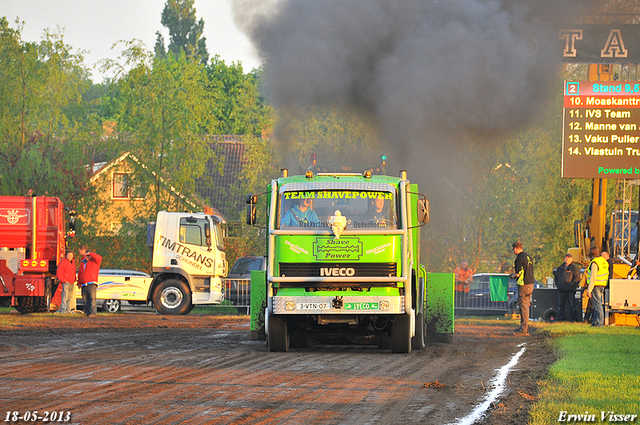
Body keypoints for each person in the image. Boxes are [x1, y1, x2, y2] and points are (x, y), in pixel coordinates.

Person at [509, 241, 535, 336]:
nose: (513, 251)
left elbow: (518, 273)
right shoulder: (528, 257)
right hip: (531, 284)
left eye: (513, 249)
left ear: (516, 248)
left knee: (523, 306)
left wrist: (512, 276)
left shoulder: (519, 258)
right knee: (526, 306)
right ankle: (523, 327)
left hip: (524, 285)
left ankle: (524, 330)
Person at [585, 246, 608, 327]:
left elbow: (593, 277)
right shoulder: (604, 261)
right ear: (598, 252)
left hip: (596, 285)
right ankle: (594, 322)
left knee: (597, 305)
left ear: (590, 254)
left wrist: (589, 290)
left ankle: (599, 323)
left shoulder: (594, 262)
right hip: (603, 285)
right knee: (597, 304)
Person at [77, 246, 103, 317]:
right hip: (84, 284)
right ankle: (88, 313)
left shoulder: (95, 262)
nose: (87, 257)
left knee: (92, 299)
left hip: (92, 282)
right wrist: (79, 282)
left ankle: (92, 313)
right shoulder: (82, 263)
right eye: (86, 256)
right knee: (85, 299)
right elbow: (80, 272)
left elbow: (99, 258)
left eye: (88, 256)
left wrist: (91, 253)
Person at [554, 254, 581, 321]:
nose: (567, 259)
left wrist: (571, 285)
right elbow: (556, 277)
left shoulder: (574, 268)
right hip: (561, 290)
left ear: (571, 259)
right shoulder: (560, 268)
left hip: (570, 290)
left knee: (572, 305)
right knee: (560, 305)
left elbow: (577, 279)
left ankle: (574, 319)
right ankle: (560, 319)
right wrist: (558, 285)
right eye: (566, 258)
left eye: (568, 258)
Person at [55, 250, 77, 314]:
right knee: (65, 297)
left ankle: (67, 310)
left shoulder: (73, 262)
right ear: (66, 255)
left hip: (71, 282)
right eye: (69, 255)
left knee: (69, 297)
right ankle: (63, 310)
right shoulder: (63, 263)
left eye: (71, 255)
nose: (70, 257)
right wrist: (64, 280)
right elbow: (59, 273)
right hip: (66, 282)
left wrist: (74, 279)